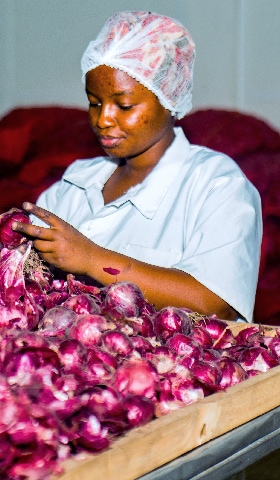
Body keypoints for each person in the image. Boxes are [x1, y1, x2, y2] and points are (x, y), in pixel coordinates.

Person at [12, 11, 262, 322]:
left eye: (124, 105)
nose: (103, 119)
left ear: (168, 96)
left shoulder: (216, 185)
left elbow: (216, 301)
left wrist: (92, 260)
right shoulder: (75, 184)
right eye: (94, 102)